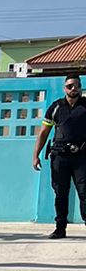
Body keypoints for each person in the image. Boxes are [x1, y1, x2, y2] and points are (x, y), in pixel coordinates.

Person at [32, 73, 86, 238]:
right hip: (59, 156)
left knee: (85, 192)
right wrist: (36, 155)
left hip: (82, 157)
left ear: (80, 87)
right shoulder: (55, 107)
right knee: (60, 193)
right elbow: (43, 132)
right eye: (70, 86)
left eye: (76, 85)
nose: (73, 88)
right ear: (65, 88)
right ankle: (60, 228)